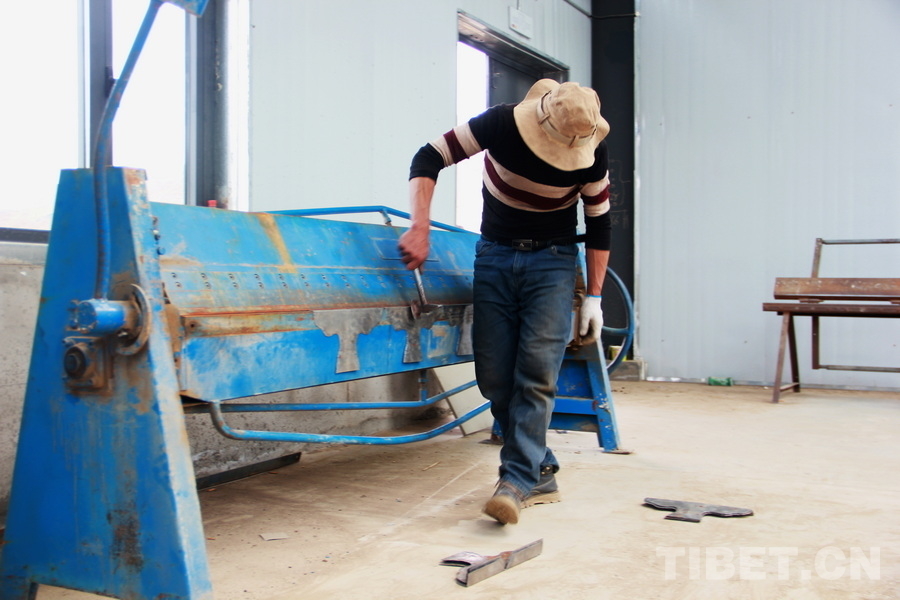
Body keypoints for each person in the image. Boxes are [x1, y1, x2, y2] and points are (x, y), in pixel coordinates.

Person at [398, 79, 612, 525]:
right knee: (494, 375)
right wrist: (420, 226)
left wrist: (594, 295)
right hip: (495, 256)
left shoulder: (592, 149)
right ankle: (540, 467)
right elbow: (429, 156)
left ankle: (515, 481)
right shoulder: (500, 123)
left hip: (553, 263)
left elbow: (599, 222)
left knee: (536, 374)